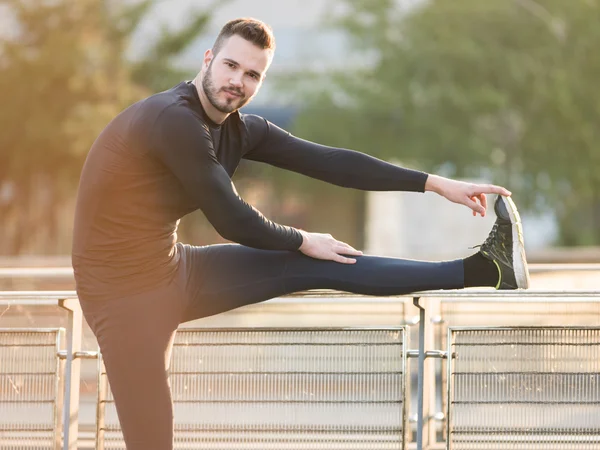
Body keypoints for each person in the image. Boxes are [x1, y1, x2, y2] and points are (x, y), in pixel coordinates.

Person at [72, 17, 529, 450]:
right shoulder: (173, 120)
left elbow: (332, 162)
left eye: (252, 74)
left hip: (170, 270)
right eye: (231, 65)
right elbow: (229, 217)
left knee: (323, 261)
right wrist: (300, 237)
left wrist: (436, 184)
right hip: (122, 297)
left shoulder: (241, 129)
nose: (238, 81)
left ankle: (485, 269)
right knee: (152, 441)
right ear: (208, 58)